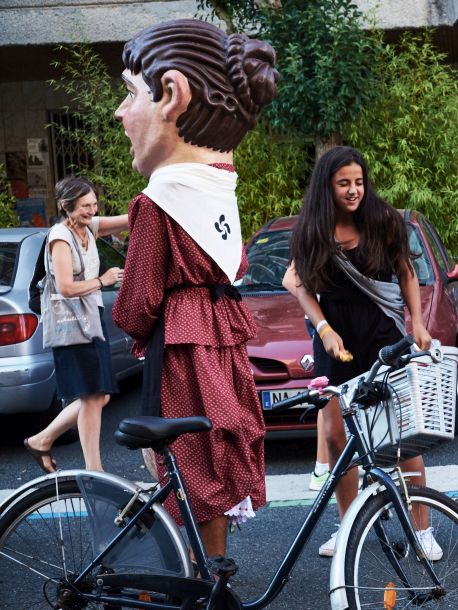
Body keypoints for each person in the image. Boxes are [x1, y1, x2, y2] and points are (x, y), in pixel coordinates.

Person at [111, 18, 278, 558]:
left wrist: (132, 327)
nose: (120, 113)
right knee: (219, 450)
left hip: (182, 346)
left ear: (170, 95)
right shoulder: (220, 190)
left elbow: (137, 302)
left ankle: (201, 570)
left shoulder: (158, 202)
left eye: (128, 94)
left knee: (189, 457)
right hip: (223, 340)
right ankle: (216, 565)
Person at [283, 146, 440, 559]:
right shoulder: (312, 230)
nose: (354, 190)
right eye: (343, 184)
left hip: (382, 333)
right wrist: (323, 328)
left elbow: (406, 272)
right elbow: (297, 283)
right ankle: (348, 524)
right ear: (327, 187)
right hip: (335, 335)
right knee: (337, 437)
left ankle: (422, 529)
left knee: (403, 433)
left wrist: (418, 323)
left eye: (358, 181)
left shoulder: (383, 219)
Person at [24, 176, 127, 473]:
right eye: (84, 206)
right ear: (67, 206)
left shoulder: (87, 227)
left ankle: (41, 439)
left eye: (94, 204)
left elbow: (126, 220)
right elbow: (66, 287)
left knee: (101, 395)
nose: (92, 211)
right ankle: (95, 469)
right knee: (92, 396)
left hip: (90, 320)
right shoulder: (60, 236)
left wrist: (159, 196)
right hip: (71, 323)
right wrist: (102, 281)